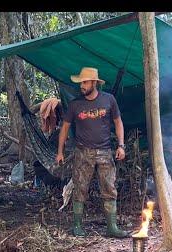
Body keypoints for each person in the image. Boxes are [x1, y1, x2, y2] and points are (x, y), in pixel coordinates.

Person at [53, 67, 128, 238]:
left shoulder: (109, 100)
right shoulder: (75, 105)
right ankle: (77, 226)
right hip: (82, 152)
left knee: (109, 188)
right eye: (81, 83)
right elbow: (64, 129)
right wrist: (60, 152)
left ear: (94, 83)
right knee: (80, 188)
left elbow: (118, 122)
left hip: (105, 151)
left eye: (85, 82)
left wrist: (121, 145)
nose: (82, 86)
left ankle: (112, 227)